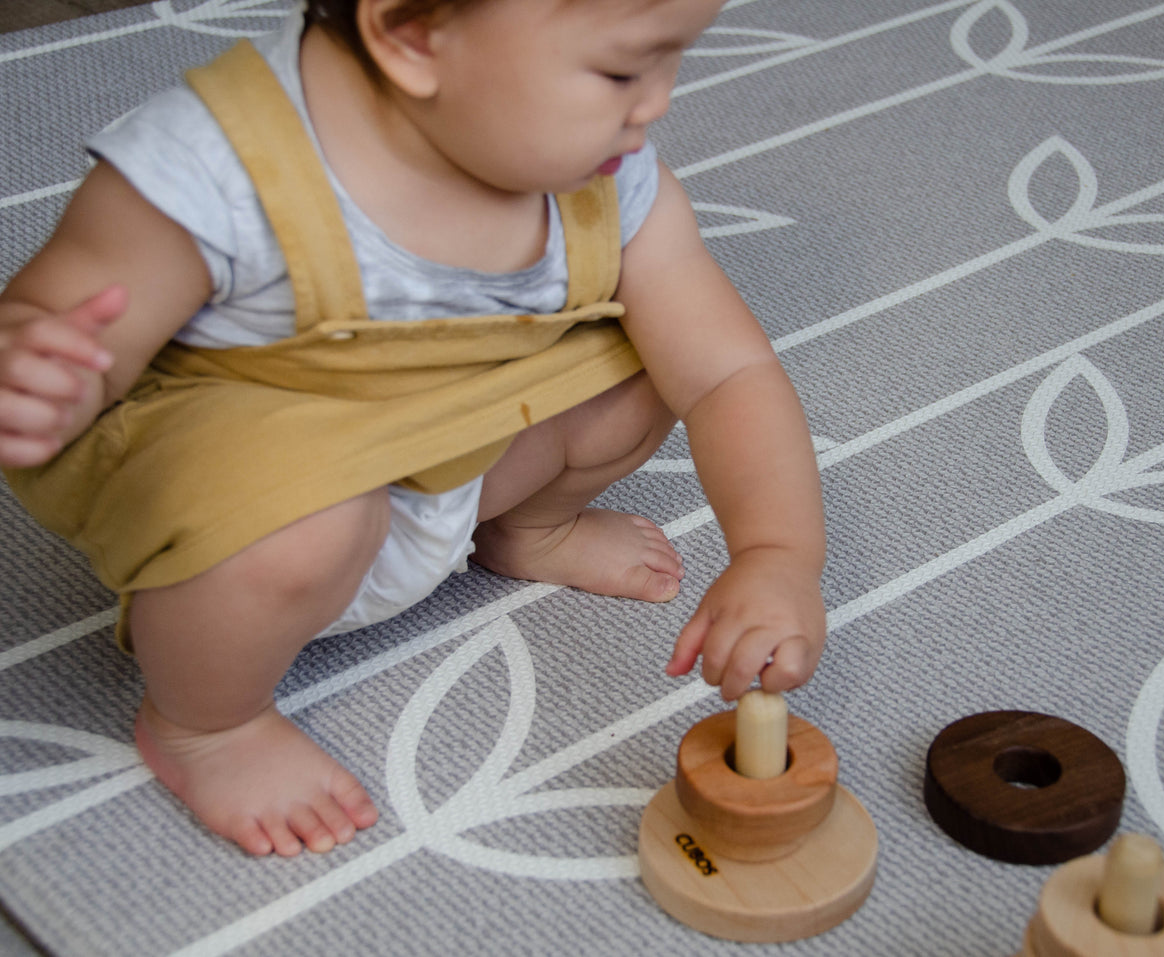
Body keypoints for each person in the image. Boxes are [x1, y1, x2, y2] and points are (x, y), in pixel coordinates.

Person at [0, 0, 826, 858]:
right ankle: (206, 723)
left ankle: (527, 527)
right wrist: (41, 378)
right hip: (252, 519)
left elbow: (728, 372)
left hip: (453, 460)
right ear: (409, 34)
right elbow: (63, 328)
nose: (656, 103)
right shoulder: (217, 167)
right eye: (623, 70)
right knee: (304, 527)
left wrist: (776, 553)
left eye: (672, 60)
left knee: (643, 367)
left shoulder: (605, 176)